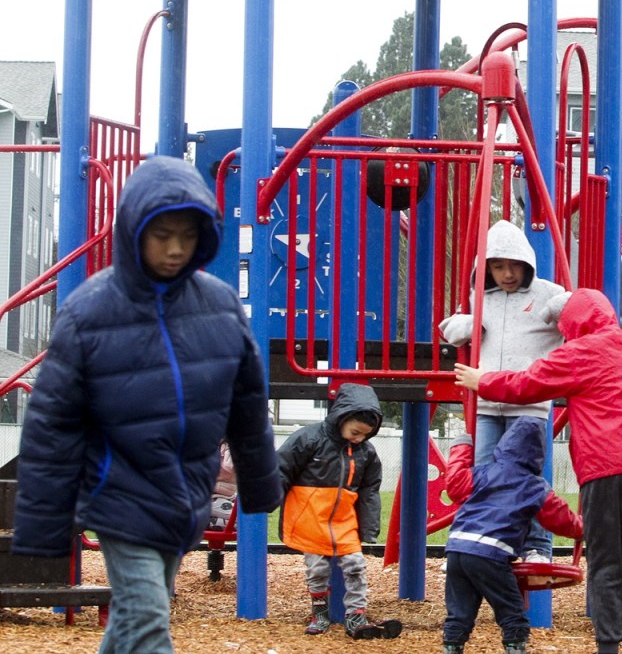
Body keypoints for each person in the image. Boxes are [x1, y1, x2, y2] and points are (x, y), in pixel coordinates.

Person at [12, 155, 283, 653]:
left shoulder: (221, 307)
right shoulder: (89, 312)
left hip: (185, 497)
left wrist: (262, 487)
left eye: (187, 235)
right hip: (121, 494)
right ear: (134, 231)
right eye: (163, 236)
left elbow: (248, 408)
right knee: (147, 620)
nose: (177, 249)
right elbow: (53, 427)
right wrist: (43, 527)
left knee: (132, 624)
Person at [455, 288, 622, 654]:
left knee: (606, 560)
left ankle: (608, 646)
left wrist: (482, 380)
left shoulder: (579, 352)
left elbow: (528, 385)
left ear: (573, 324)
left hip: (605, 465)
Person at [438, 219, 566, 562]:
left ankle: (537, 546)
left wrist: (565, 308)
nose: (507, 274)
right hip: (485, 404)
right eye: (497, 266)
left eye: (514, 266)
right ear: (486, 269)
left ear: (527, 265)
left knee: (526, 478)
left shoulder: (548, 294)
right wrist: (465, 325)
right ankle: (489, 540)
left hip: (528, 405)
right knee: (480, 474)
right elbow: (448, 328)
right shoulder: (480, 298)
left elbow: (578, 314)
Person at [441, 419, 584, 654]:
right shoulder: (535, 486)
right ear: (539, 454)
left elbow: (455, 485)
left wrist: (461, 447)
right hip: (490, 554)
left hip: (457, 548)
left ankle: (452, 646)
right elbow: (560, 519)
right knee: (511, 611)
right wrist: (582, 528)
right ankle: (515, 647)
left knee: (460, 611)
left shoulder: (483, 472)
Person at [277, 383, 402, 639]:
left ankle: (356, 615)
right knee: (317, 568)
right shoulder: (309, 438)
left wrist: (368, 528)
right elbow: (280, 468)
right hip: (310, 515)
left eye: (365, 435)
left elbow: (369, 491)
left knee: (355, 564)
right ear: (342, 418)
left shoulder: (366, 452)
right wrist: (270, 496)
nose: (359, 438)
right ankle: (319, 611)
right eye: (356, 432)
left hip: (343, 520)